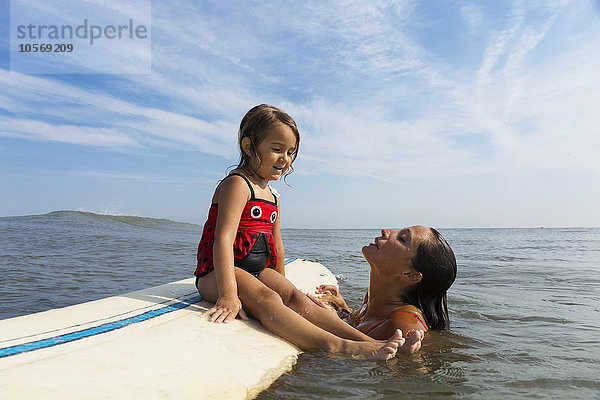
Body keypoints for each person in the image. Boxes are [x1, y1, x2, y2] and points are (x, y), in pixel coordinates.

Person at [194, 104, 418, 360]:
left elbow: (276, 247)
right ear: (248, 147)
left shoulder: (273, 197)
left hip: (256, 270)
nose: (285, 159)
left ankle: (370, 342)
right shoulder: (237, 184)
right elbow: (223, 239)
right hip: (217, 274)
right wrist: (228, 296)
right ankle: (339, 346)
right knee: (268, 298)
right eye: (276, 149)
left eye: (291, 152)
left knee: (296, 298)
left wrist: (285, 287)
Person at [314, 226, 457, 351]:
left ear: (410, 275)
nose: (385, 231)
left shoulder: (403, 326)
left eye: (402, 239)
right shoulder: (372, 300)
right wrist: (342, 309)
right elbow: (361, 326)